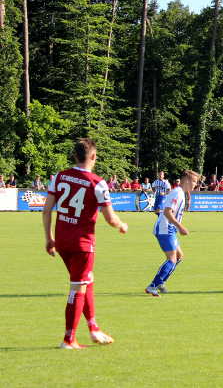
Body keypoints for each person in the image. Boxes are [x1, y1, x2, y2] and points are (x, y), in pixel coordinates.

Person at [42, 138, 128, 348]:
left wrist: (49, 238)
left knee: (86, 280)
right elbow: (109, 218)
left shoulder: (60, 176)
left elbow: (46, 210)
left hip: (62, 240)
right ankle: (68, 339)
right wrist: (121, 225)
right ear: (93, 157)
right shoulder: (97, 182)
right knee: (78, 287)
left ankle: (93, 328)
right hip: (82, 244)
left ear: (74, 156)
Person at [145, 170, 200, 297]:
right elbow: (167, 212)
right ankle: (153, 285)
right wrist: (180, 227)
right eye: (194, 181)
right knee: (172, 259)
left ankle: (160, 282)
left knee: (179, 257)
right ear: (186, 179)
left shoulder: (181, 193)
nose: (195, 184)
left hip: (169, 228)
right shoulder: (177, 193)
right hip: (165, 228)